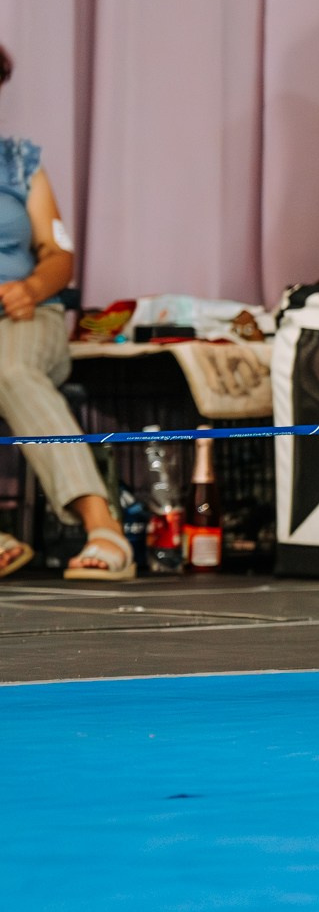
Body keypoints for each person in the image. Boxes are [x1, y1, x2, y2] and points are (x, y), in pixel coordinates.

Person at [0, 46, 132, 580]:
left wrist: (31, 287)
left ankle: (103, 527)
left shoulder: (19, 162)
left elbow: (59, 255)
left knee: (11, 370)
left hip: (25, 315)